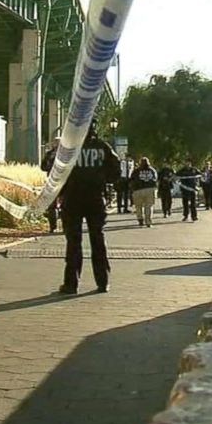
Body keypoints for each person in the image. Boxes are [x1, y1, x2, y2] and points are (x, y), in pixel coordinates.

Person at [58, 119, 121, 295]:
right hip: (95, 197)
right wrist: (102, 179)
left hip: (73, 197)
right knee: (98, 239)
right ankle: (103, 281)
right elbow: (116, 171)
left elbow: (52, 168)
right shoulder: (103, 147)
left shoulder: (69, 147)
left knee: (73, 242)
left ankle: (71, 284)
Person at [129, 157, 158, 227]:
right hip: (150, 189)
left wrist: (132, 189)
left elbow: (131, 180)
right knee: (149, 206)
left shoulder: (136, 171)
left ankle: (140, 219)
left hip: (138, 190)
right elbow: (155, 179)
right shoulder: (152, 170)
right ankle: (148, 222)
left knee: (138, 206)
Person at [40, 138, 61, 233]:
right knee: (52, 205)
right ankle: (53, 227)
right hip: (52, 181)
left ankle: (63, 225)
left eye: (57, 143)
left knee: (64, 204)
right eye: (54, 143)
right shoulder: (49, 154)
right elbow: (43, 167)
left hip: (63, 180)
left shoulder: (65, 154)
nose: (55, 145)